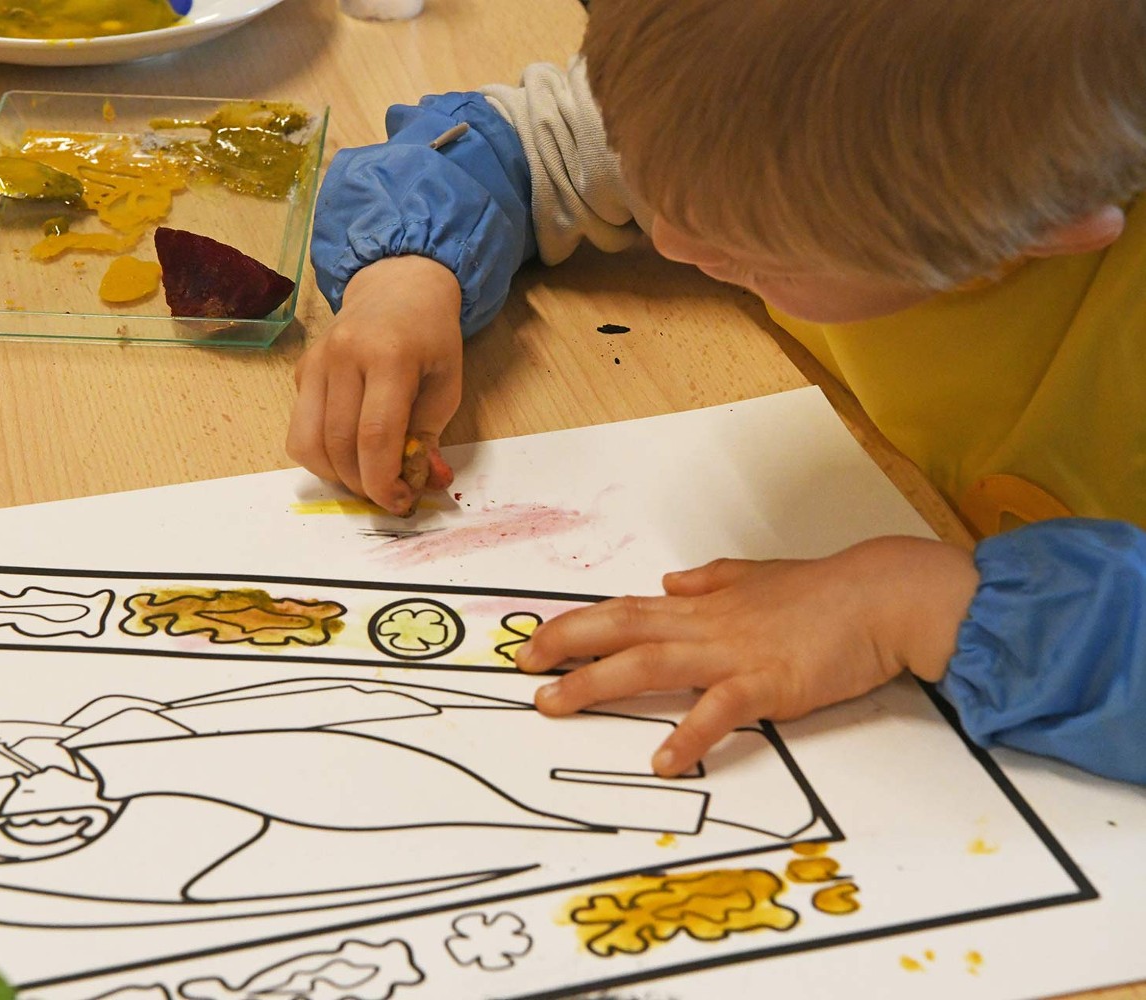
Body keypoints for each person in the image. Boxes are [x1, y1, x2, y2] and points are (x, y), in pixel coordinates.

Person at [287, 0, 1146, 785]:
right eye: (653, 185)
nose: (669, 237)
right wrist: (408, 268)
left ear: (1040, 237)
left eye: (755, 250)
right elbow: (515, 142)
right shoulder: (762, 85)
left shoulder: (962, 136)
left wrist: (919, 604)